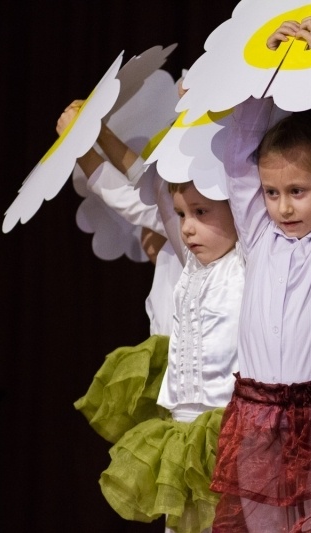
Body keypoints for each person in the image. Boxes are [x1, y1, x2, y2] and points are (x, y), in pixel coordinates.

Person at [209, 16, 311, 533]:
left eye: (298, 191)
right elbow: (240, 157)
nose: (282, 206)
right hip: (257, 415)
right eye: (273, 193)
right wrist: (272, 63)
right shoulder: (258, 238)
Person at [99, 176, 244, 533]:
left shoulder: (247, 265)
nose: (188, 228)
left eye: (201, 212)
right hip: (182, 435)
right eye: (181, 215)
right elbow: (158, 194)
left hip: (229, 432)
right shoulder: (191, 268)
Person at [62, 100, 184, 444]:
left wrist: (82, 144)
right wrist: (95, 131)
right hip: (172, 380)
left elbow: (139, 199)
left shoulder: (197, 231)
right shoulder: (179, 236)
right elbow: (144, 188)